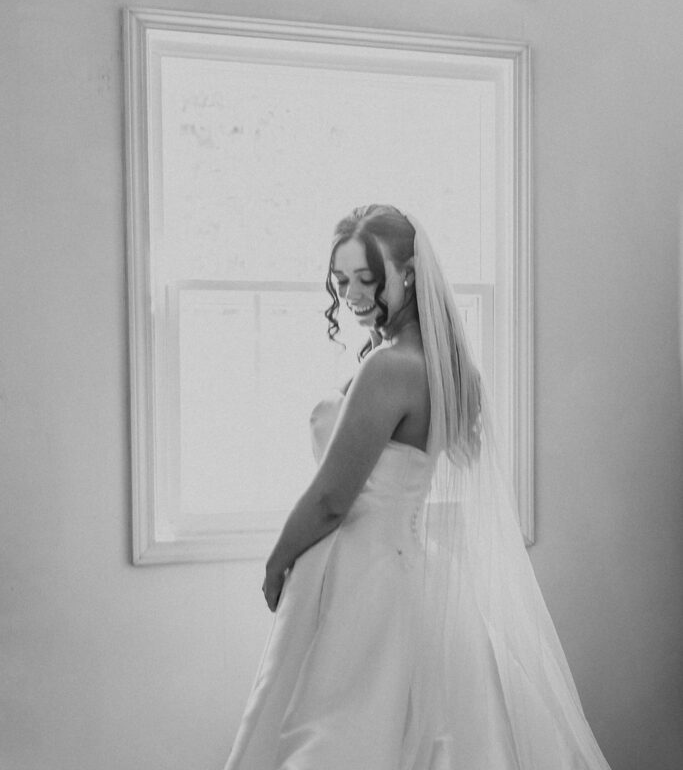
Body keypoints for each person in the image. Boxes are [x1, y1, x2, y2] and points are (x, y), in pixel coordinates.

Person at [224, 204, 613, 770]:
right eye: (341, 281)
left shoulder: (390, 367)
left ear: (408, 273)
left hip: (361, 574)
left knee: (337, 736)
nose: (352, 295)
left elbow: (333, 498)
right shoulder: (446, 367)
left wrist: (277, 561)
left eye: (367, 278)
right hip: (410, 567)